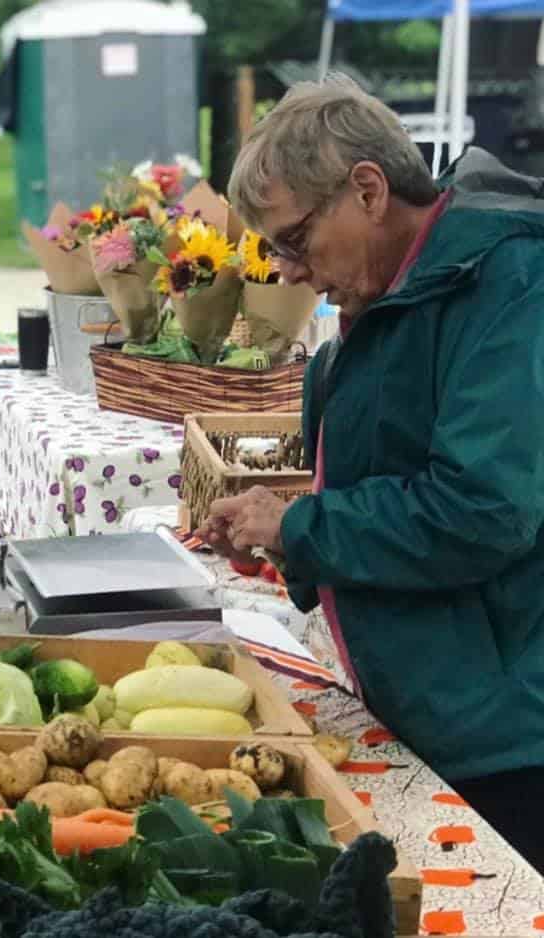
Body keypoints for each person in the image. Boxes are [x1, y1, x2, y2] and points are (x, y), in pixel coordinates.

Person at [200, 76, 544, 873]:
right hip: (444, 707)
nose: (285, 271)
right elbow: (398, 466)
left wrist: (304, 527)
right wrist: (291, 531)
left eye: (292, 240)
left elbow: (481, 510)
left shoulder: (511, 284)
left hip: (507, 735)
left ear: (367, 190)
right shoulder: (406, 279)